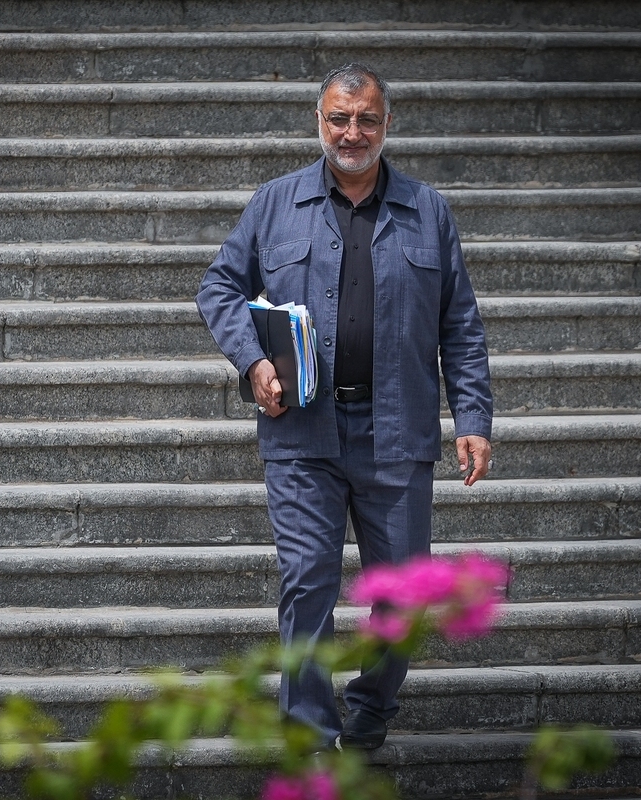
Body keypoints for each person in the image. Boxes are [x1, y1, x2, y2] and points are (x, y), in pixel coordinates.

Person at [195, 63, 493, 751]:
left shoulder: (427, 211)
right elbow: (219, 287)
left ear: (387, 125)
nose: (352, 132)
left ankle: (371, 708)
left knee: (402, 596)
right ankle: (307, 731)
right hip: (303, 434)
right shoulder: (275, 204)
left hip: (397, 434)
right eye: (339, 118)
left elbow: (460, 325)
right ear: (319, 121)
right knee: (307, 582)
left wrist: (473, 419)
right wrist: (254, 360)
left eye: (366, 120)